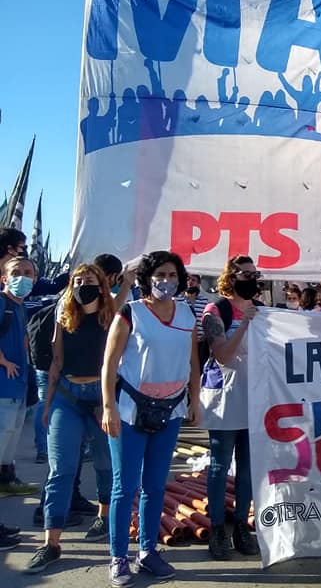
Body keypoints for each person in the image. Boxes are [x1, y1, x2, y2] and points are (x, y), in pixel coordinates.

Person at [101, 250, 200, 585]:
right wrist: (109, 407)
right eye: (159, 275)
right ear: (147, 278)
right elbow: (109, 363)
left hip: (170, 410)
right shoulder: (131, 313)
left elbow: (193, 362)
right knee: (124, 486)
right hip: (130, 410)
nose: (166, 282)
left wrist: (194, 400)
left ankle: (148, 551)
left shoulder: (187, 315)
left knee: (155, 486)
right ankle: (117, 557)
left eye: (173, 275)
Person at [24, 265, 116, 573]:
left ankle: (103, 517)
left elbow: (116, 363)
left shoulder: (113, 315)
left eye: (89, 280)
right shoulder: (64, 315)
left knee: (105, 465)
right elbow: (57, 362)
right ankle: (51, 543)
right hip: (67, 395)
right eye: (77, 281)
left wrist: (110, 404)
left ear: (102, 285)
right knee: (60, 470)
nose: (81, 285)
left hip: (101, 396)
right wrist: (47, 405)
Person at [200, 256, 261, 560]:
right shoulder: (217, 310)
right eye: (244, 273)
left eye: (254, 273)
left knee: (248, 468)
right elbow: (222, 354)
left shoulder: (261, 310)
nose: (250, 278)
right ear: (231, 276)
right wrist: (245, 323)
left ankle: (241, 526)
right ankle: (216, 529)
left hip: (254, 397)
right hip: (224, 397)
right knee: (219, 465)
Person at [0, 256, 40, 499]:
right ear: (4, 278)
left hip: (18, 386)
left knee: (9, 441)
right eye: (16, 272)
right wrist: (3, 360)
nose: (22, 277)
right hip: (3, 387)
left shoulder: (21, 307)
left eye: (28, 272)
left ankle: (6, 481)